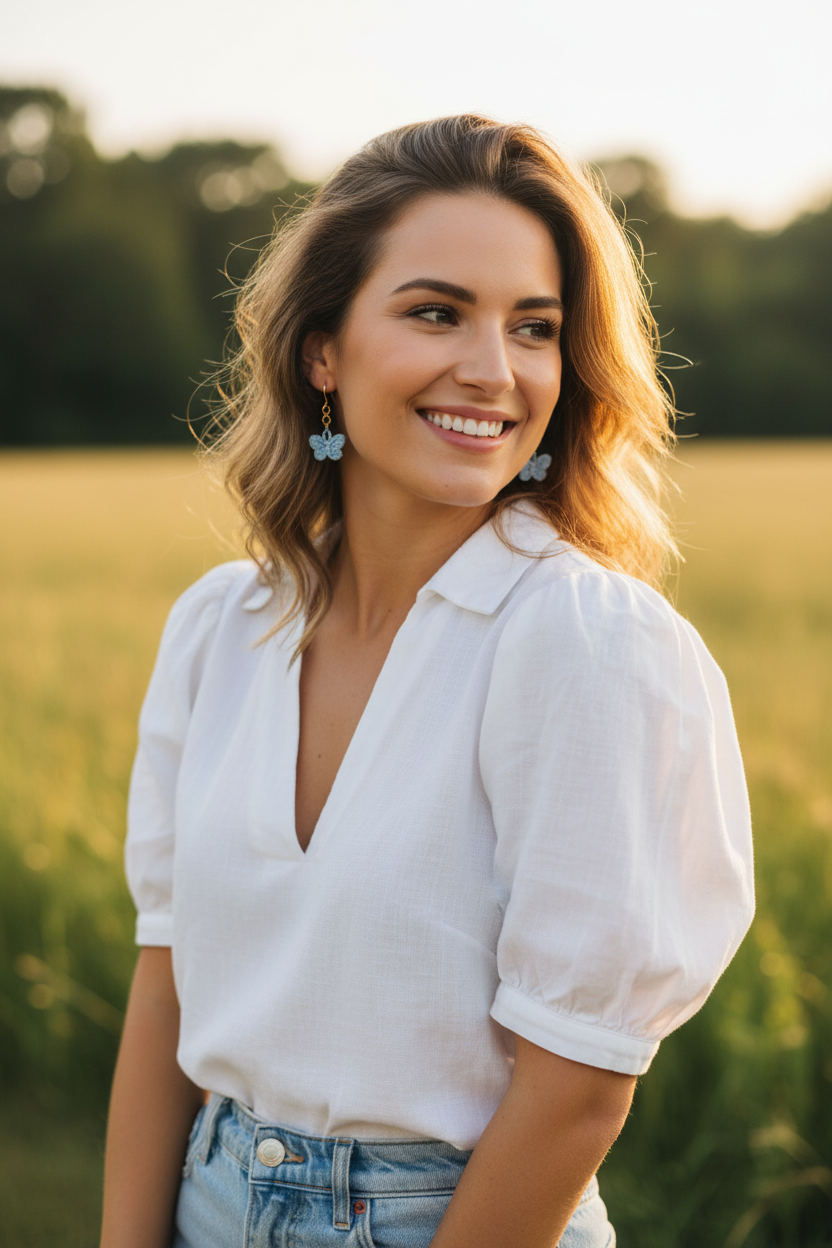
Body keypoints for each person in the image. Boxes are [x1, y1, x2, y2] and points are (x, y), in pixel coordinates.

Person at [99, 115, 754, 1248]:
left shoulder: (584, 642)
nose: (494, 371)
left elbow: (577, 1091)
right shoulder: (219, 628)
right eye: (436, 313)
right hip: (207, 1196)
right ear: (322, 351)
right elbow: (166, 984)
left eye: (535, 328)